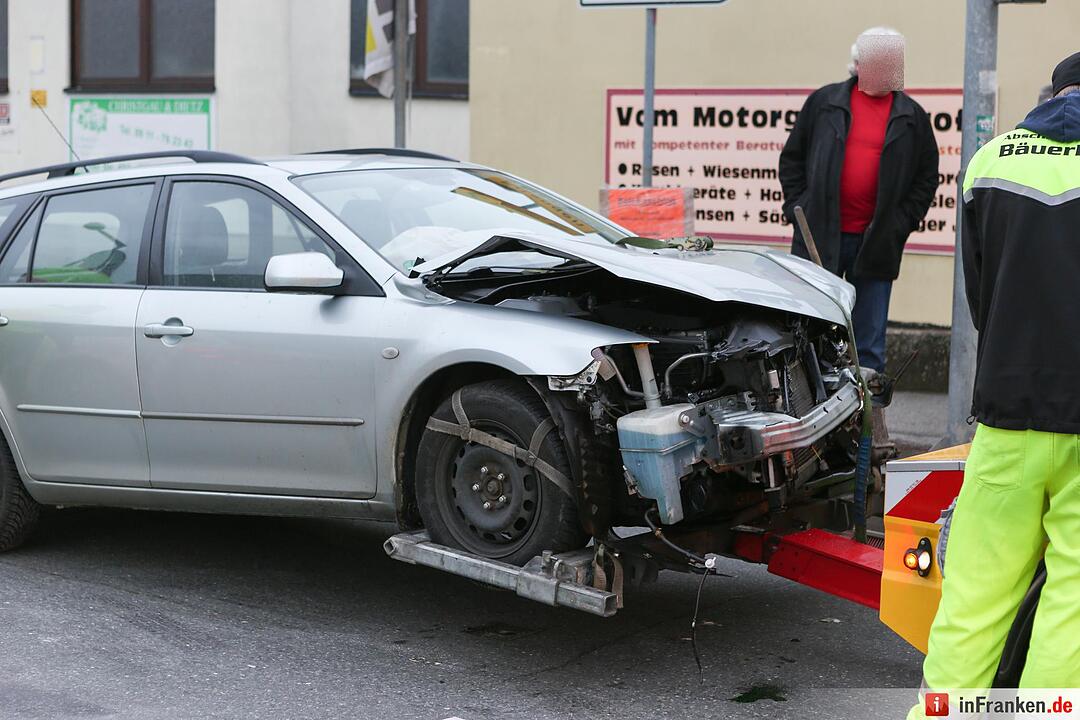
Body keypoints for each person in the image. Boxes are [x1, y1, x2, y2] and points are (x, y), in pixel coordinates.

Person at [908, 52, 1080, 717]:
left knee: (975, 597)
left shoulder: (993, 159)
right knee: (1070, 604)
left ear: (1052, 91)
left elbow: (980, 292)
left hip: (1008, 414)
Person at [778, 27, 939, 374]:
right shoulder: (824, 104)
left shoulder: (912, 117)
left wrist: (902, 223)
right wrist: (798, 208)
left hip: (877, 242)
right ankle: (815, 422)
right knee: (810, 337)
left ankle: (866, 428)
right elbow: (792, 160)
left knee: (868, 348)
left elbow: (927, 177)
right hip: (817, 238)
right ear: (858, 65)